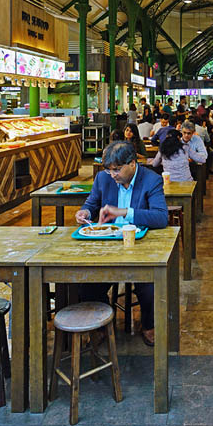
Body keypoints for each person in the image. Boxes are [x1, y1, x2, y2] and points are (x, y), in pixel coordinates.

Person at [75, 141, 167, 346]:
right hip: (106, 244)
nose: (113, 175)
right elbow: (91, 203)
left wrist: (125, 212)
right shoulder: (103, 179)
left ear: (132, 163)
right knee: (86, 279)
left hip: (138, 245)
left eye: (116, 170)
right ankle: (99, 326)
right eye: (109, 171)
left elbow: (161, 217)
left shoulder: (151, 180)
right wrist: (86, 212)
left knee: (149, 283)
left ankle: (149, 324)